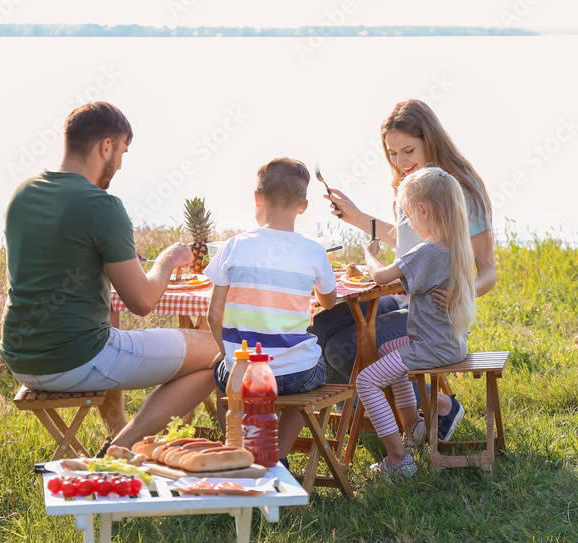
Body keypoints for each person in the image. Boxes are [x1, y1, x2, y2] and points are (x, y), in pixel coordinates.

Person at [0, 101, 218, 451]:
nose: (119, 164)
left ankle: (118, 432)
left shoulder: (23, 194)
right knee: (217, 352)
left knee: (117, 331)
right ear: (106, 146)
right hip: (77, 358)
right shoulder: (102, 205)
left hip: (20, 357)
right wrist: (167, 260)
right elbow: (143, 302)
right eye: (122, 152)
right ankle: (123, 444)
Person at [316, 98, 497, 441]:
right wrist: (354, 215)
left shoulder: (461, 190)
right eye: (392, 154)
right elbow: (410, 242)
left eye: (408, 151)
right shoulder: (409, 184)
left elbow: (487, 270)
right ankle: (361, 407)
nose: (400, 162)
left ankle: (439, 406)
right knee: (324, 322)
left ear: (430, 140)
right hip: (405, 299)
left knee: (344, 345)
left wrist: (463, 291)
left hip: (435, 316)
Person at [205, 158, 337, 459]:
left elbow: (214, 315)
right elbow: (329, 302)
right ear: (303, 206)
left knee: (223, 382)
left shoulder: (234, 245)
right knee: (311, 378)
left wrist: (225, 354)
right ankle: (274, 459)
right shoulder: (315, 252)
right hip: (296, 374)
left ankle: (243, 453)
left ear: (258, 197)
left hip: (242, 373)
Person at [355, 167, 476, 477]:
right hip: (451, 344)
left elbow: (380, 276)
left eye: (408, 216)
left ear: (424, 210)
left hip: (432, 348)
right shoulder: (457, 246)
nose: (408, 223)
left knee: (366, 381)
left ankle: (398, 459)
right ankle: (415, 428)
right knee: (388, 349)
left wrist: (370, 255)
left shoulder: (425, 252)